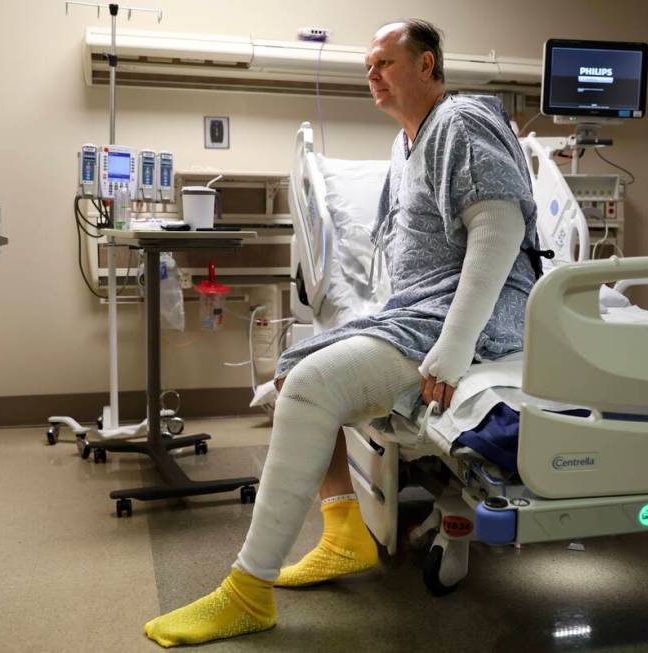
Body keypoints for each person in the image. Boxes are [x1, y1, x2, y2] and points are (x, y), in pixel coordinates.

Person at [144, 18, 541, 647]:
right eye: (367, 67)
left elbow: (500, 233)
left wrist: (454, 349)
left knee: (310, 385)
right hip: (415, 311)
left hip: (475, 318)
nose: (372, 75)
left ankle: (248, 591)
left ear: (428, 66)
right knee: (297, 360)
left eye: (385, 62)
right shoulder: (405, 147)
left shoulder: (462, 122)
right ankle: (344, 533)